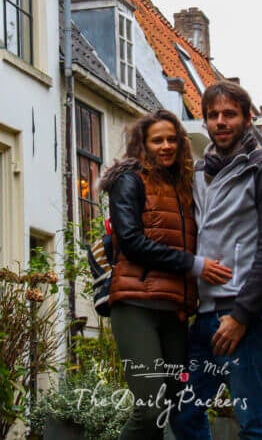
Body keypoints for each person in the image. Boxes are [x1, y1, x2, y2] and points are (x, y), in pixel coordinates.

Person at [98, 109, 233, 440]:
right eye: (157, 140)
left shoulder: (184, 188)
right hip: (136, 304)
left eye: (172, 139)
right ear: (143, 144)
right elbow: (131, 242)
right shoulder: (130, 180)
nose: (166, 146)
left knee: (173, 406)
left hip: (175, 310)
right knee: (150, 408)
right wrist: (194, 264)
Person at [173, 81, 262, 440]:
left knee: (254, 422)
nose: (220, 122)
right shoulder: (198, 174)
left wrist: (242, 316)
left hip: (244, 318)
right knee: (183, 413)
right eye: (213, 116)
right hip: (205, 317)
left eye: (229, 114)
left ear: (247, 118)